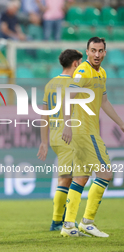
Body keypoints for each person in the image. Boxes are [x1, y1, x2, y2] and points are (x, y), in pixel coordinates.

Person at [61, 37, 124, 237]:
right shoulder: (83, 71)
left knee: (81, 177)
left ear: (105, 53)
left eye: (100, 51)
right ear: (86, 52)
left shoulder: (102, 73)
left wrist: (121, 123)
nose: (97, 54)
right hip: (84, 131)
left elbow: (104, 101)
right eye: (93, 50)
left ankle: (68, 226)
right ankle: (87, 222)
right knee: (106, 173)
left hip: (88, 131)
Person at [37, 49, 83, 231]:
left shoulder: (50, 84)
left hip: (55, 136)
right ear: (76, 64)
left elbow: (44, 115)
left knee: (67, 177)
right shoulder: (75, 84)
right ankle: (57, 221)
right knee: (66, 179)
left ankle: (60, 219)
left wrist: (43, 141)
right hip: (68, 135)